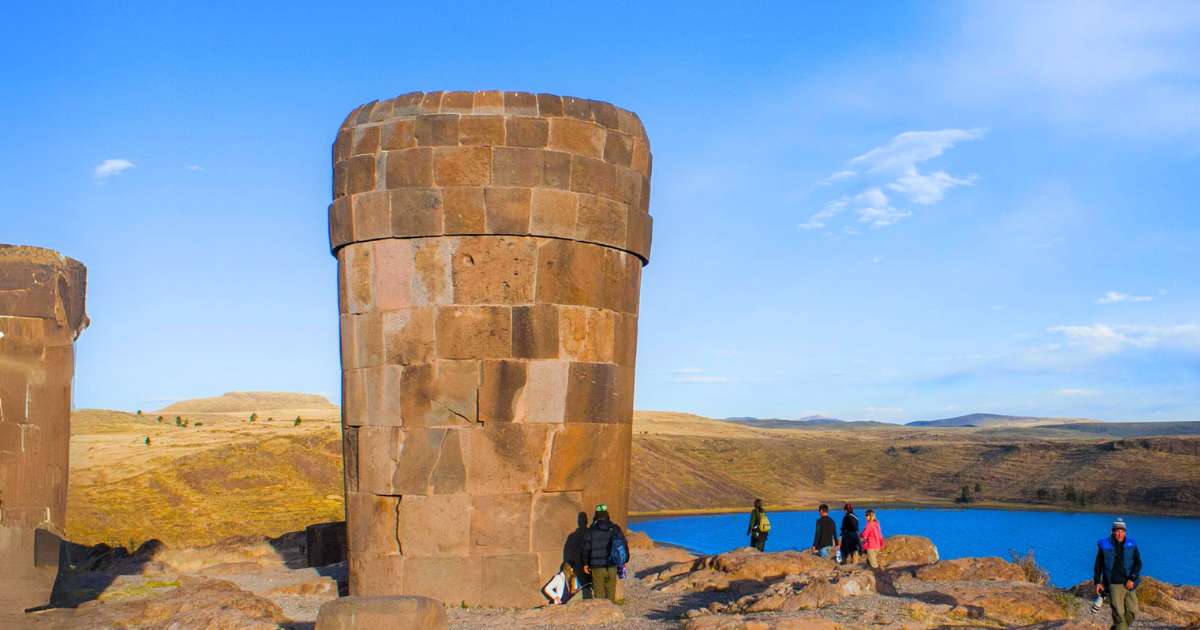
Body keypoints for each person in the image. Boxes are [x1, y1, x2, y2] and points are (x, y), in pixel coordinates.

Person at [1094, 518, 1142, 630]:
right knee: (1119, 613)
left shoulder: (1132, 544)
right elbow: (1098, 565)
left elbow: (1138, 563)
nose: (1120, 534)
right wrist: (1097, 582)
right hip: (1114, 584)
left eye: (1122, 531)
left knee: (1133, 611)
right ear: (1112, 531)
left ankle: (1116, 628)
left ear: (1125, 532)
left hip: (1129, 583)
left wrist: (1132, 578)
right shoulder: (1104, 545)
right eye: (1117, 531)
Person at [582, 503, 629, 603]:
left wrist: (585, 563)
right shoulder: (615, 528)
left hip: (597, 567)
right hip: (612, 565)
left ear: (596, 515)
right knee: (611, 593)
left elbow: (586, 548)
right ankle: (611, 614)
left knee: (599, 595)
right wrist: (624, 560)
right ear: (607, 514)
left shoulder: (591, 530)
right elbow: (623, 545)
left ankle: (602, 615)